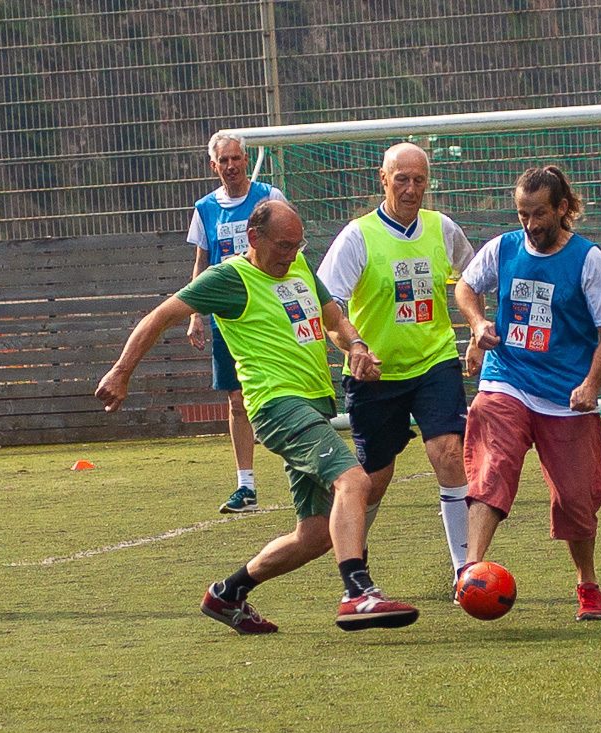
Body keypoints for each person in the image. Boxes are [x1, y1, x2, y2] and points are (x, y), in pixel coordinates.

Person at [96, 200, 418, 634]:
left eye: (297, 243)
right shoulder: (229, 278)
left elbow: (334, 319)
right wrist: (121, 371)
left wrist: (356, 346)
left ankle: (227, 593)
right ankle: (357, 592)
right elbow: (160, 317)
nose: (292, 253)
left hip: (315, 404)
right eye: (284, 245)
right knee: (355, 481)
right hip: (277, 404)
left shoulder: (300, 265)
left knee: (316, 535)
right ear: (254, 239)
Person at [454, 166, 601, 621]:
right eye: (522, 214)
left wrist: (591, 385)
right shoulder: (504, 248)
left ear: (564, 209)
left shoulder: (589, 261)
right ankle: (470, 572)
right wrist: (478, 324)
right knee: (492, 469)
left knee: (576, 500)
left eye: (539, 214)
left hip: (564, 396)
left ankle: (587, 583)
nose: (529, 224)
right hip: (506, 378)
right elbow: (466, 286)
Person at [317, 142, 476, 587]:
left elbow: (474, 278)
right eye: (401, 179)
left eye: (418, 180)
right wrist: (354, 348)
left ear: (429, 182)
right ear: (382, 179)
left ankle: (466, 570)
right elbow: (330, 308)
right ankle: (356, 571)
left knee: (448, 453)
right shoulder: (357, 236)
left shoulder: (442, 228)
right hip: (376, 374)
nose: (410, 189)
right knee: (373, 479)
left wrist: (478, 329)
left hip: (434, 362)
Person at [186, 132, 287, 514]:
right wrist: (198, 314)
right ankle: (246, 485)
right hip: (229, 321)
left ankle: (306, 470)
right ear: (214, 166)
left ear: (246, 160)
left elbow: (292, 246)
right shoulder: (205, 208)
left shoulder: (269, 197)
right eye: (222, 161)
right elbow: (202, 261)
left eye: (236, 158)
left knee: (285, 390)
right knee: (236, 399)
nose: (230, 166)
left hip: (269, 315)